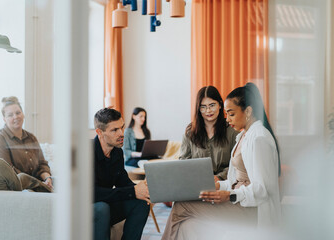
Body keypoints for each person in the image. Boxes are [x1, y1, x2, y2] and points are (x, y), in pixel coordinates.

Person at [162, 83, 281, 239]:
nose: (228, 119)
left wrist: (229, 195)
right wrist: (218, 185)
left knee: (181, 205)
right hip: (239, 199)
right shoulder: (243, 136)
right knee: (186, 225)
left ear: (248, 111)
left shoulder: (258, 138)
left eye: (231, 113)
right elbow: (234, 179)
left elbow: (263, 190)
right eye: (227, 114)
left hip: (251, 208)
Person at [93, 108, 150, 240]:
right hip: (86, 209)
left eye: (122, 127)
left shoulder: (117, 152)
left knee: (141, 203)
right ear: (99, 132)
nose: (121, 133)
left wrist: (142, 190)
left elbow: (123, 182)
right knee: (102, 208)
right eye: (114, 130)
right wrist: (133, 191)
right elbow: (93, 193)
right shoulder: (86, 153)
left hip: (105, 205)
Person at [180, 86, 238, 180]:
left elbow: (237, 164)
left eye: (212, 105)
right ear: (198, 109)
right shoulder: (190, 133)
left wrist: (219, 177)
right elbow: (183, 163)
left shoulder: (232, 130)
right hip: (197, 182)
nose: (208, 111)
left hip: (225, 183)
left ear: (220, 105)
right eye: (203, 107)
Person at [0, 96, 52, 192]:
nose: (16, 117)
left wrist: (47, 179)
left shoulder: (31, 137)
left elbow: (42, 164)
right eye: (10, 115)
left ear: (23, 114)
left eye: (18, 113)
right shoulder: (0, 138)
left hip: (38, 185)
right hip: (18, 187)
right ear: (4, 119)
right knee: (23, 177)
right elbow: (9, 171)